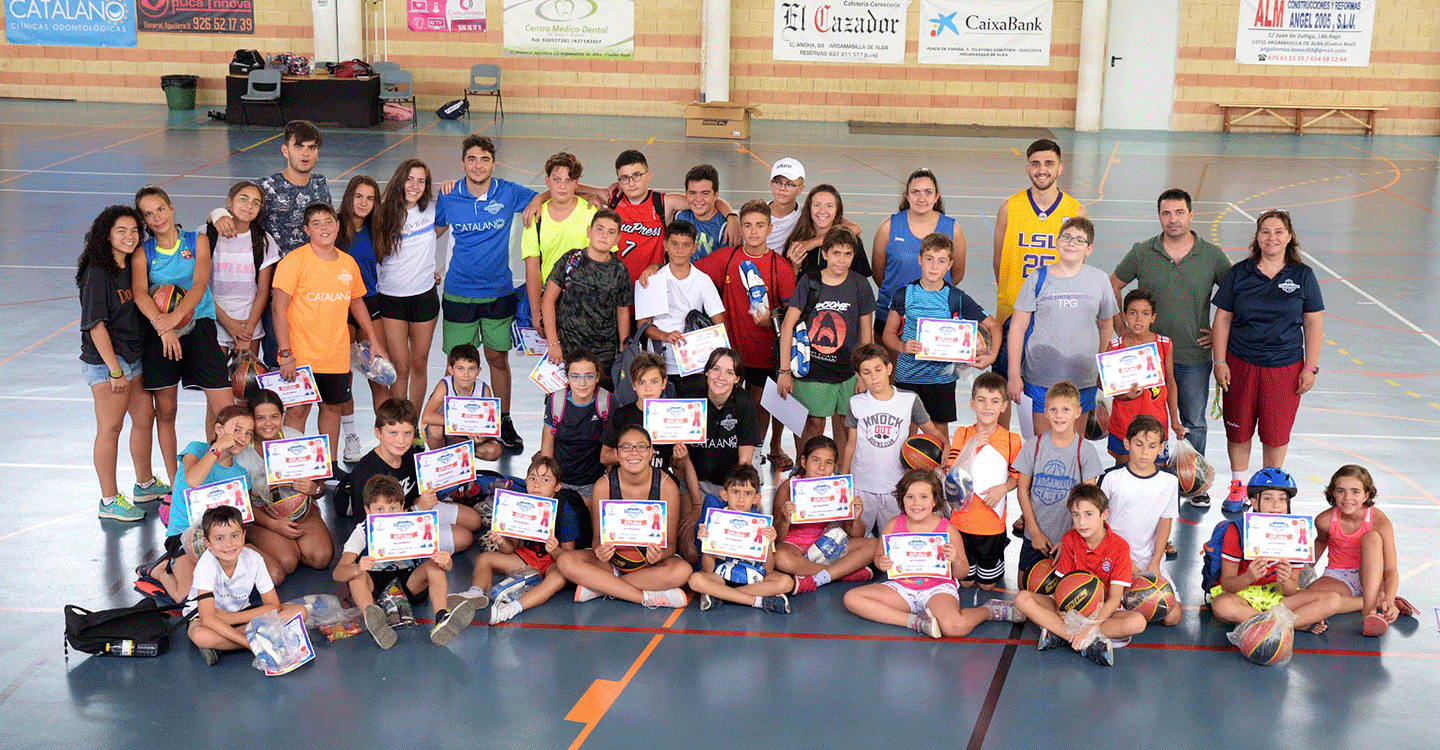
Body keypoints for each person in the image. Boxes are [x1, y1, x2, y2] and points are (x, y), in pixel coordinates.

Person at [1109, 189, 1231, 501]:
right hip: (1145, 359)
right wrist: (1120, 324)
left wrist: (1217, 336)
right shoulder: (1142, 251)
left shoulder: (1212, 255)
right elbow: (1114, 283)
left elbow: (1235, 294)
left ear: (1191, 215)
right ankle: (1148, 482)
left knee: (1192, 422)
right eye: (1166, 213)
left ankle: (1192, 485)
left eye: (1179, 213)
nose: (1172, 219)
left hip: (1192, 355)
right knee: (1143, 420)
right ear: (1159, 216)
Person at [1211, 210, 1324, 511]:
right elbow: (1222, 320)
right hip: (1240, 363)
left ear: (1289, 237)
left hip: (1284, 367)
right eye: (1265, 231)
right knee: (1238, 429)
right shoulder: (1240, 273)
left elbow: (1313, 324)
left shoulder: (1303, 276)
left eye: (1278, 231)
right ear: (1257, 237)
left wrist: (1310, 367)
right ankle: (1238, 488)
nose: (1271, 237)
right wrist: (1219, 361)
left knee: (1275, 434)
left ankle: (1269, 492)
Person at [435, 135, 540, 451]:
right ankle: (456, 425)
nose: (477, 165)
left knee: (497, 358)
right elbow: (430, 231)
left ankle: (503, 420)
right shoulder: (449, 196)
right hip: (458, 294)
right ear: (463, 163)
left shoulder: (508, 192)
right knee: (457, 364)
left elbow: (549, 196)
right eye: (471, 159)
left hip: (498, 293)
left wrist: (536, 201)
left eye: (484, 159)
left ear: (493, 163)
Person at [212, 120, 333, 367]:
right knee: (277, 359)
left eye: (312, 148)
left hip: (313, 289)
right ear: (285, 150)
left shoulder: (321, 185)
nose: (306, 153)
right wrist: (217, 214)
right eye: (299, 147)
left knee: (310, 359)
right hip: (276, 292)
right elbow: (237, 207)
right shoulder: (266, 187)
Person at [844, 469, 1018, 639]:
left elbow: (962, 573)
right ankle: (914, 621)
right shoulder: (892, 525)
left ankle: (989, 610)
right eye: (909, 497)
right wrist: (881, 562)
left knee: (954, 627)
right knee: (852, 598)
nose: (916, 503)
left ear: (935, 500)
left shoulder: (947, 529)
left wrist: (956, 559)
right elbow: (879, 556)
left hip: (937, 588)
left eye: (924, 497)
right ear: (902, 499)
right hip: (902, 588)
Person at [271, 203, 387, 455]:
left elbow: (357, 302)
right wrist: (285, 353)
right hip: (301, 356)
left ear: (337, 226)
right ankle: (291, 470)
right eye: (316, 223)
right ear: (306, 230)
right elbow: (278, 309)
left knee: (332, 408)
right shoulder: (294, 262)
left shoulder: (347, 263)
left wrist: (374, 340)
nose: (324, 228)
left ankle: (330, 466)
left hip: (335, 355)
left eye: (328, 222)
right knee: (297, 411)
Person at [992, 139, 1086, 436]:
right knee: (1004, 394)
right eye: (1035, 163)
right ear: (1027, 167)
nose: (1042, 170)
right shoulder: (1010, 207)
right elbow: (999, 262)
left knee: (1055, 397)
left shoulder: (1075, 211)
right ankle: (1001, 456)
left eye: (1048, 163)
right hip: (1012, 315)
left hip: (1056, 318)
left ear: (1060, 167)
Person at [78, 205, 164, 521]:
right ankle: (109, 500)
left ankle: (144, 484)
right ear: (107, 235)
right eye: (120, 231)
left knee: (145, 418)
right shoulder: (98, 272)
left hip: (132, 357)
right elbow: (95, 325)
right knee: (110, 427)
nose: (129, 237)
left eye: (133, 231)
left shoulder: (129, 266)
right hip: (107, 364)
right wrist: (115, 370)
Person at [697, 199, 798, 470]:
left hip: (764, 352)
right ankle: (727, 450)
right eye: (748, 225)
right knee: (727, 399)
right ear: (740, 228)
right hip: (731, 351)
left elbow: (792, 314)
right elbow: (689, 273)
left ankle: (755, 451)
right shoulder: (726, 258)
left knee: (758, 403)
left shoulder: (780, 266)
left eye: (760, 226)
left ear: (770, 228)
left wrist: (770, 320)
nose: (754, 231)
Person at [132, 186, 235, 448]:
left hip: (199, 327)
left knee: (227, 410)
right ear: (144, 220)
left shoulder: (196, 241)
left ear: (171, 208)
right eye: (148, 214)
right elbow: (141, 294)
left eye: (160, 209)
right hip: (160, 335)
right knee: (166, 412)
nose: (157, 217)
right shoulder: (144, 252)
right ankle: (176, 481)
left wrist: (175, 317)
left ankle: (224, 471)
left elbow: (200, 284)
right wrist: (164, 327)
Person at [333, 475, 478, 649]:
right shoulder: (363, 532)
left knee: (434, 567)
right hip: (374, 588)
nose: (387, 514)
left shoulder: (417, 525)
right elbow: (338, 573)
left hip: (408, 582)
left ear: (402, 507)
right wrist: (357, 568)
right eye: (379, 509)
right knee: (356, 577)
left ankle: (442, 617)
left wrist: (446, 563)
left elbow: (444, 566)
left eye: (393, 507)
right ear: (367, 510)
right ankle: (373, 619)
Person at [1005, 216, 1117, 439]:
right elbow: (1017, 328)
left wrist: (1100, 367)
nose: (1071, 243)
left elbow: (1106, 325)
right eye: (1066, 237)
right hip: (1040, 378)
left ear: (1089, 249)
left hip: (1083, 378)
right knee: (1041, 445)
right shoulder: (1037, 278)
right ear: (1057, 241)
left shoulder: (1100, 279)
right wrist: (1013, 374)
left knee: (1072, 447)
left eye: (1079, 240)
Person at [557, 426, 690, 608]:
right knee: (565, 561)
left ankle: (601, 587)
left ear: (651, 452)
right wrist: (600, 550)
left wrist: (659, 555)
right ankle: (646, 597)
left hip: (649, 566)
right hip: (611, 564)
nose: (633, 453)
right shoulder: (603, 485)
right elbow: (597, 539)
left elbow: (671, 544)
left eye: (641, 447)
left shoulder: (666, 486)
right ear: (617, 454)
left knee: (682, 571)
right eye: (626, 447)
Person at [1014, 485, 1148, 666]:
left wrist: (1090, 625)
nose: (1081, 522)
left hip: (1103, 610)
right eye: (1076, 515)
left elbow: (1115, 597)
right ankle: (1085, 642)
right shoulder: (1069, 538)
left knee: (1137, 622)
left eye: (1088, 514)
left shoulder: (1119, 547)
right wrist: (1066, 612)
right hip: (1072, 607)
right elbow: (1063, 586)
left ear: (1104, 514)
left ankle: (1062, 634)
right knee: (1022, 598)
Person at [883, 232, 1000, 434]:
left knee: (939, 433)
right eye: (929, 259)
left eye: (941, 261)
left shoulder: (956, 297)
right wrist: (902, 346)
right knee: (905, 432)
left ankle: (940, 467)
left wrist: (991, 356)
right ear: (919, 260)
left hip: (941, 380)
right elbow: (888, 335)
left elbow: (994, 326)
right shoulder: (904, 294)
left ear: (950, 264)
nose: (934, 266)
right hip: (907, 378)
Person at [144, 405, 258, 603]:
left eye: (248, 433)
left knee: (253, 580)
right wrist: (218, 447)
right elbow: (193, 481)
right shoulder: (196, 449)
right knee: (184, 595)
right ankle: (160, 571)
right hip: (182, 535)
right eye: (237, 430)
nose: (243, 437)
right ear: (219, 429)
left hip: (220, 539)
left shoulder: (240, 474)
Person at [777, 227, 875, 455]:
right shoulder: (809, 282)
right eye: (836, 253)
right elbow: (787, 325)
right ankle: (806, 468)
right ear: (825, 253)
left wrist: (863, 374)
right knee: (814, 424)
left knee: (845, 423)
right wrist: (784, 371)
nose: (841, 260)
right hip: (814, 368)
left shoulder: (860, 285)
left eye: (848, 254)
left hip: (847, 371)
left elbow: (866, 336)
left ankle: (841, 471)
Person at [1208, 468, 1343, 635]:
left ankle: (1261, 622)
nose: (1276, 505)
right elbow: (1227, 585)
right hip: (1241, 596)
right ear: (1254, 503)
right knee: (1223, 605)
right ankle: (1293, 624)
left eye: (1282, 499)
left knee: (1333, 600)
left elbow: (1291, 590)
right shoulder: (1237, 530)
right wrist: (1248, 577)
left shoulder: (1295, 531)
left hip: (1277, 596)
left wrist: (1285, 580)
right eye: (1268, 498)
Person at [452, 456, 585, 624]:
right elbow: (509, 549)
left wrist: (556, 550)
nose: (537, 484)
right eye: (532, 478)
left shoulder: (565, 511)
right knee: (484, 558)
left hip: (553, 561)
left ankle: (513, 608)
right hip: (528, 556)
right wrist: (500, 540)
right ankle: (476, 593)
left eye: (545, 480)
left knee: (559, 577)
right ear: (525, 480)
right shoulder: (518, 503)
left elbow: (569, 556)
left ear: (557, 486)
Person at [339, 398, 483, 552]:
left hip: (412, 509)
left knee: (475, 520)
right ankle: (412, 554)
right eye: (393, 433)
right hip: (392, 530)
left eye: (407, 433)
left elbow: (417, 492)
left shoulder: (408, 454)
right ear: (378, 432)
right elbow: (365, 527)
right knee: (464, 537)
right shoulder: (365, 473)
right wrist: (416, 510)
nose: (401, 441)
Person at [842, 344, 947, 536]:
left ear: (889, 368)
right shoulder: (855, 403)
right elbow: (851, 444)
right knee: (857, 535)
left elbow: (931, 430)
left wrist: (946, 444)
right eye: (866, 372)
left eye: (878, 369)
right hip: (862, 484)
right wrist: (842, 479)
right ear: (858, 376)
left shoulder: (909, 400)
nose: (874, 376)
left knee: (892, 537)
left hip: (896, 485)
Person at [184, 505, 307, 666]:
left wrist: (230, 618)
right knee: (200, 635)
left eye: (234, 536)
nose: (228, 544)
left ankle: (222, 645)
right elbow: (207, 618)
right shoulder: (206, 564)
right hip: (206, 619)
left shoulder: (254, 559)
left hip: (239, 615)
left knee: (299, 612)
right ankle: (259, 638)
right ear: (208, 543)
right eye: (219, 539)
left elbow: (274, 606)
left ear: (243, 536)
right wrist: (250, 644)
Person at [1309, 464, 1418, 636]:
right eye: (1340, 491)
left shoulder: (1378, 520)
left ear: (1367, 494)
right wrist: (1299, 576)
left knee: (1371, 537)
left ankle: (1368, 611)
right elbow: (1320, 543)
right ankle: (1373, 602)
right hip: (1339, 575)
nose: (1347, 498)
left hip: (1372, 576)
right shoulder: (1324, 520)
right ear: (1333, 493)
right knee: (1308, 598)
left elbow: (1390, 569)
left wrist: (1389, 600)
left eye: (1355, 491)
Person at [233, 389, 332, 577]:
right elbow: (241, 504)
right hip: (261, 516)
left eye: (274, 416)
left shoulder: (296, 438)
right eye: (260, 418)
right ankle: (253, 542)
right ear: (251, 419)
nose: (268, 423)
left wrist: (314, 488)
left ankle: (291, 546)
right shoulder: (242, 449)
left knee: (321, 558)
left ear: (282, 415)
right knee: (287, 562)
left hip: (300, 511)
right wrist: (273, 526)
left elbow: (321, 487)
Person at [1098, 415, 1183, 627]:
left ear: (1161, 447)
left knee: (1173, 617)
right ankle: (1126, 609)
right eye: (1139, 444)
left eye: (1152, 446)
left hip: (1148, 561)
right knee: (1116, 609)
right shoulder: (1111, 478)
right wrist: (1126, 563)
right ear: (1127, 443)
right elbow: (1099, 527)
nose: (1145, 452)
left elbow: (1165, 522)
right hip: (1115, 560)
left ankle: (1130, 608)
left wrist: (1155, 561)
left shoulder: (1169, 482)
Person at [1015, 382, 1103, 579]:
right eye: (1053, 410)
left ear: (1078, 412)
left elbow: (1089, 500)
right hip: (1035, 536)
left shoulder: (1085, 451)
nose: (1059, 415)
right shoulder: (1033, 446)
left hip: (1071, 537)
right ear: (1045, 412)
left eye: (1065, 410)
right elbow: (1022, 490)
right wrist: (1035, 532)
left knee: (1063, 591)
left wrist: (1070, 540)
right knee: (1024, 585)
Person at [373, 158, 442, 413]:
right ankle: (399, 421)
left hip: (424, 297)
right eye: (410, 179)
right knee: (400, 367)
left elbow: (443, 230)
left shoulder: (432, 210)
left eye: (421, 181)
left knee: (419, 364)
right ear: (400, 180)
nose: (414, 185)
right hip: (391, 299)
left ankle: (413, 425)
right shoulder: (381, 213)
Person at [944, 372, 1023, 590]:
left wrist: (1002, 489)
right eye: (981, 400)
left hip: (991, 526)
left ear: (1004, 406)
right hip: (961, 523)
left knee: (987, 585)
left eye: (994, 401)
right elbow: (953, 472)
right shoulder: (962, 434)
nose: (987, 406)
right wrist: (971, 445)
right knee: (966, 581)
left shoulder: (1011, 439)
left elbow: (1015, 477)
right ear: (971, 404)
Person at [609, 151, 736, 283]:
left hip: (660, 282)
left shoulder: (664, 203)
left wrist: (731, 217)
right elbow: (587, 191)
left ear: (649, 176)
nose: (631, 183)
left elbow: (707, 201)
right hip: (622, 282)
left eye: (636, 175)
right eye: (625, 178)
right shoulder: (614, 199)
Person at [772, 436, 877, 594]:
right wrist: (786, 520)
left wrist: (856, 518)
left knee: (874, 545)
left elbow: (855, 534)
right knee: (779, 557)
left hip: (829, 544)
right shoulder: (788, 487)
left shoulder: (838, 488)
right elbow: (777, 538)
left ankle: (815, 577)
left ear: (835, 466)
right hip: (795, 548)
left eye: (828, 462)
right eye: (815, 460)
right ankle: (842, 573)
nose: (821, 468)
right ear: (803, 461)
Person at [872, 168, 966, 341]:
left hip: (936, 318)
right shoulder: (888, 227)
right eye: (915, 192)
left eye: (927, 192)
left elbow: (956, 274)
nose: (921, 198)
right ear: (907, 196)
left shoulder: (953, 229)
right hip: (890, 317)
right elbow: (879, 275)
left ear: (937, 196)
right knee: (887, 368)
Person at [542, 209, 633, 382]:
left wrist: (623, 349)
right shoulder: (571, 259)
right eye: (600, 229)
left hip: (603, 356)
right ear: (589, 231)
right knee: (561, 404)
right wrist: (553, 343)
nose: (604, 235)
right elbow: (548, 300)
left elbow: (622, 311)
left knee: (601, 405)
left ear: (618, 239)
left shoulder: (619, 270)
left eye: (611, 232)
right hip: (566, 350)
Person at [635, 221, 725, 396]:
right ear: (665, 245)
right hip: (659, 363)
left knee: (690, 414)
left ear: (694, 247)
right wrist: (664, 336)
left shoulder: (703, 280)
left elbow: (719, 324)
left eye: (686, 245)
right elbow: (642, 326)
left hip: (694, 365)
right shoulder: (653, 279)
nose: (679, 250)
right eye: (674, 244)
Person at [690, 465, 792, 613]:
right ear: (724, 495)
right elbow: (708, 569)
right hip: (721, 577)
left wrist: (768, 545)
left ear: (757, 498)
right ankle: (758, 601)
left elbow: (769, 570)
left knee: (786, 582)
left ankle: (720, 595)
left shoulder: (762, 525)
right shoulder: (715, 520)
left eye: (748, 493)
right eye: (735, 492)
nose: (741, 499)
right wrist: (706, 544)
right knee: (695, 580)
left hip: (753, 578)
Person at [337, 174, 388, 453]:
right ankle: (351, 438)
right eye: (358, 196)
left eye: (370, 198)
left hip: (369, 303)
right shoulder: (334, 225)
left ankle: (387, 440)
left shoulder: (377, 228)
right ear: (349, 197)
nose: (364, 203)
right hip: (338, 306)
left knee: (377, 373)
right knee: (343, 378)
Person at [1103, 289, 1184, 465]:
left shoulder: (1164, 345)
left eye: (1145, 314)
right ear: (1124, 316)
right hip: (1123, 426)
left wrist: (1175, 420)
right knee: (1124, 475)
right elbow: (1102, 382)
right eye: (1133, 313)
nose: (1139, 319)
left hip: (1157, 425)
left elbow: (1170, 383)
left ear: (1153, 317)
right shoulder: (1115, 347)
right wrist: (1123, 395)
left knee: (1157, 475)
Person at [521, 152, 597, 337]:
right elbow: (532, 270)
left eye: (569, 180)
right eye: (557, 179)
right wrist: (536, 310)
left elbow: (604, 262)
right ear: (547, 181)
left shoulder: (591, 213)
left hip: (587, 303)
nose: (562, 186)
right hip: (550, 304)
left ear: (577, 183)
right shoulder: (535, 219)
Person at [206, 181, 279, 360]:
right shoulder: (207, 236)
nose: (249, 206)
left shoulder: (264, 241)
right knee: (218, 384)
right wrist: (228, 324)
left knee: (246, 383)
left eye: (255, 202)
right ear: (229, 202)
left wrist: (247, 331)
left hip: (249, 324)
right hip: (215, 320)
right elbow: (201, 288)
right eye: (243, 199)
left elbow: (262, 292)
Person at [540, 350, 612, 498]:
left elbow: (612, 449)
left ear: (597, 377)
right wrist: (548, 483)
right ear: (567, 377)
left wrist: (609, 485)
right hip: (560, 483)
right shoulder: (555, 401)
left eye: (589, 376)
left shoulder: (608, 402)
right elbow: (547, 447)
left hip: (595, 483)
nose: (582, 383)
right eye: (575, 376)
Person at [600, 352, 684, 475]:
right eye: (641, 382)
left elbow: (678, 471)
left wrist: (678, 458)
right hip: (627, 482)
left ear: (664, 383)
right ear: (633, 385)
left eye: (654, 382)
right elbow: (604, 457)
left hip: (660, 479)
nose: (648, 388)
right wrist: (636, 455)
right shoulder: (621, 415)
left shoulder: (675, 415)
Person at [420, 344, 501, 457]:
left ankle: (460, 457)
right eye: (460, 369)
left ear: (479, 371)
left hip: (468, 435)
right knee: (435, 430)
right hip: (445, 432)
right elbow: (427, 416)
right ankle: (443, 459)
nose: (466, 375)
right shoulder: (445, 385)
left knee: (494, 451)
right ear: (450, 369)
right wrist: (459, 422)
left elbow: (490, 425)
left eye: (471, 369)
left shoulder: (484, 389)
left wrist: (481, 437)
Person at [784, 183, 870, 278]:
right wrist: (795, 268)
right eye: (817, 205)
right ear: (809, 208)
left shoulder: (853, 242)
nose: (822, 211)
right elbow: (787, 288)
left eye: (829, 206)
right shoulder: (797, 243)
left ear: (837, 210)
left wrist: (811, 243)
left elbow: (862, 284)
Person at [674, 163, 740, 261]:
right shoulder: (679, 217)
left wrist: (732, 218)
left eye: (705, 193)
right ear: (686, 194)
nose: (698, 199)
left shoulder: (725, 229)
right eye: (692, 193)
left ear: (716, 195)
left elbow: (723, 266)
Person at [764, 158, 806, 254]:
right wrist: (731, 217)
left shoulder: (806, 214)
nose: (782, 188)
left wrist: (809, 243)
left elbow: (845, 227)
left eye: (790, 184)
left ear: (800, 189)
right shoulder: (756, 212)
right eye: (778, 182)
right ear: (771, 183)